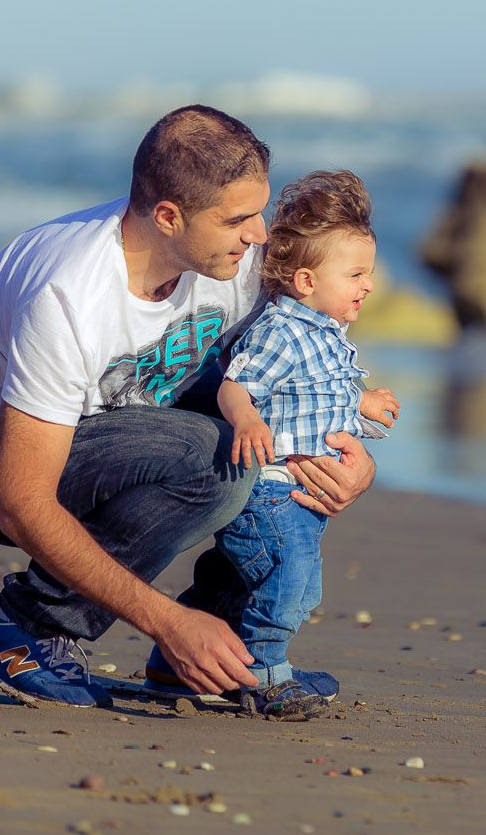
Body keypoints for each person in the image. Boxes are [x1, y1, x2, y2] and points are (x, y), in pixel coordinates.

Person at [0, 106, 375, 709]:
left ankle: (227, 654)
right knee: (214, 462)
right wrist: (164, 622)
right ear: (168, 217)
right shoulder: (69, 296)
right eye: (237, 219)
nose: (260, 234)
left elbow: (294, 365)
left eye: (259, 212)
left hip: (119, 417)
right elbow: (19, 503)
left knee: (267, 435)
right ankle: (24, 627)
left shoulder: (233, 260)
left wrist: (348, 455)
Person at [169, 170, 400, 720]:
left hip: (296, 490)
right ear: (303, 280)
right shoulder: (281, 330)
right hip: (270, 488)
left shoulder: (321, 330)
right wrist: (246, 422)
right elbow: (237, 386)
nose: (368, 285)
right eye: (357, 274)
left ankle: (174, 666)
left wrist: (361, 401)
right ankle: (267, 672)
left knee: (244, 580)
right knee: (290, 580)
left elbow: (316, 390)